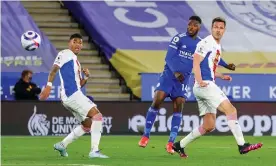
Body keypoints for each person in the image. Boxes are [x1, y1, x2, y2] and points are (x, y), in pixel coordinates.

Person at [172, 17, 263, 158]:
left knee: (208, 125)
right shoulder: (206, 42)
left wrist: (221, 76)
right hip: (205, 85)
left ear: (224, 31)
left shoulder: (216, 46)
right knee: (231, 110)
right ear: (212, 28)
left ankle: (179, 145)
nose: (218, 30)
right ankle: (242, 145)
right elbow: (196, 61)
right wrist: (200, 80)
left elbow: (209, 66)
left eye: (221, 28)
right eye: (216, 27)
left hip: (203, 85)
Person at [138, 16, 203, 153]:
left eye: (194, 25)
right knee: (157, 100)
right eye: (189, 24)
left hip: (183, 80)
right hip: (169, 76)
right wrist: (175, 72)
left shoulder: (201, 43)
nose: (191, 27)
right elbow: (168, 57)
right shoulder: (178, 38)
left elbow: (210, 57)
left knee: (178, 105)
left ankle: (170, 142)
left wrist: (225, 65)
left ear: (199, 27)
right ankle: (145, 135)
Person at [40, 33, 108, 159]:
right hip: (72, 95)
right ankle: (94, 151)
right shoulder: (65, 53)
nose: (78, 44)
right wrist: (48, 85)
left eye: (80, 42)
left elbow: (78, 84)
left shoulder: (75, 61)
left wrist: (86, 78)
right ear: (69, 43)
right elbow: (54, 69)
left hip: (71, 95)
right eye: (75, 41)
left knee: (87, 124)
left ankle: (62, 144)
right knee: (97, 116)